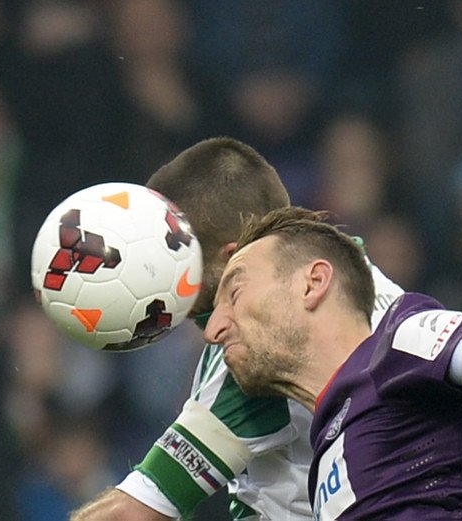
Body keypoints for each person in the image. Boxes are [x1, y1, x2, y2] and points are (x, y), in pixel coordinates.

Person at [203, 206, 462, 519]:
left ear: (313, 283)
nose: (214, 329)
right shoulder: (328, 447)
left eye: (235, 294)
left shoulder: (399, 345)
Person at [68, 137, 404, 520]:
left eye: (171, 260)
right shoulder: (360, 276)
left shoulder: (257, 349)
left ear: (231, 258)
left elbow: (132, 514)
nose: (162, 282)